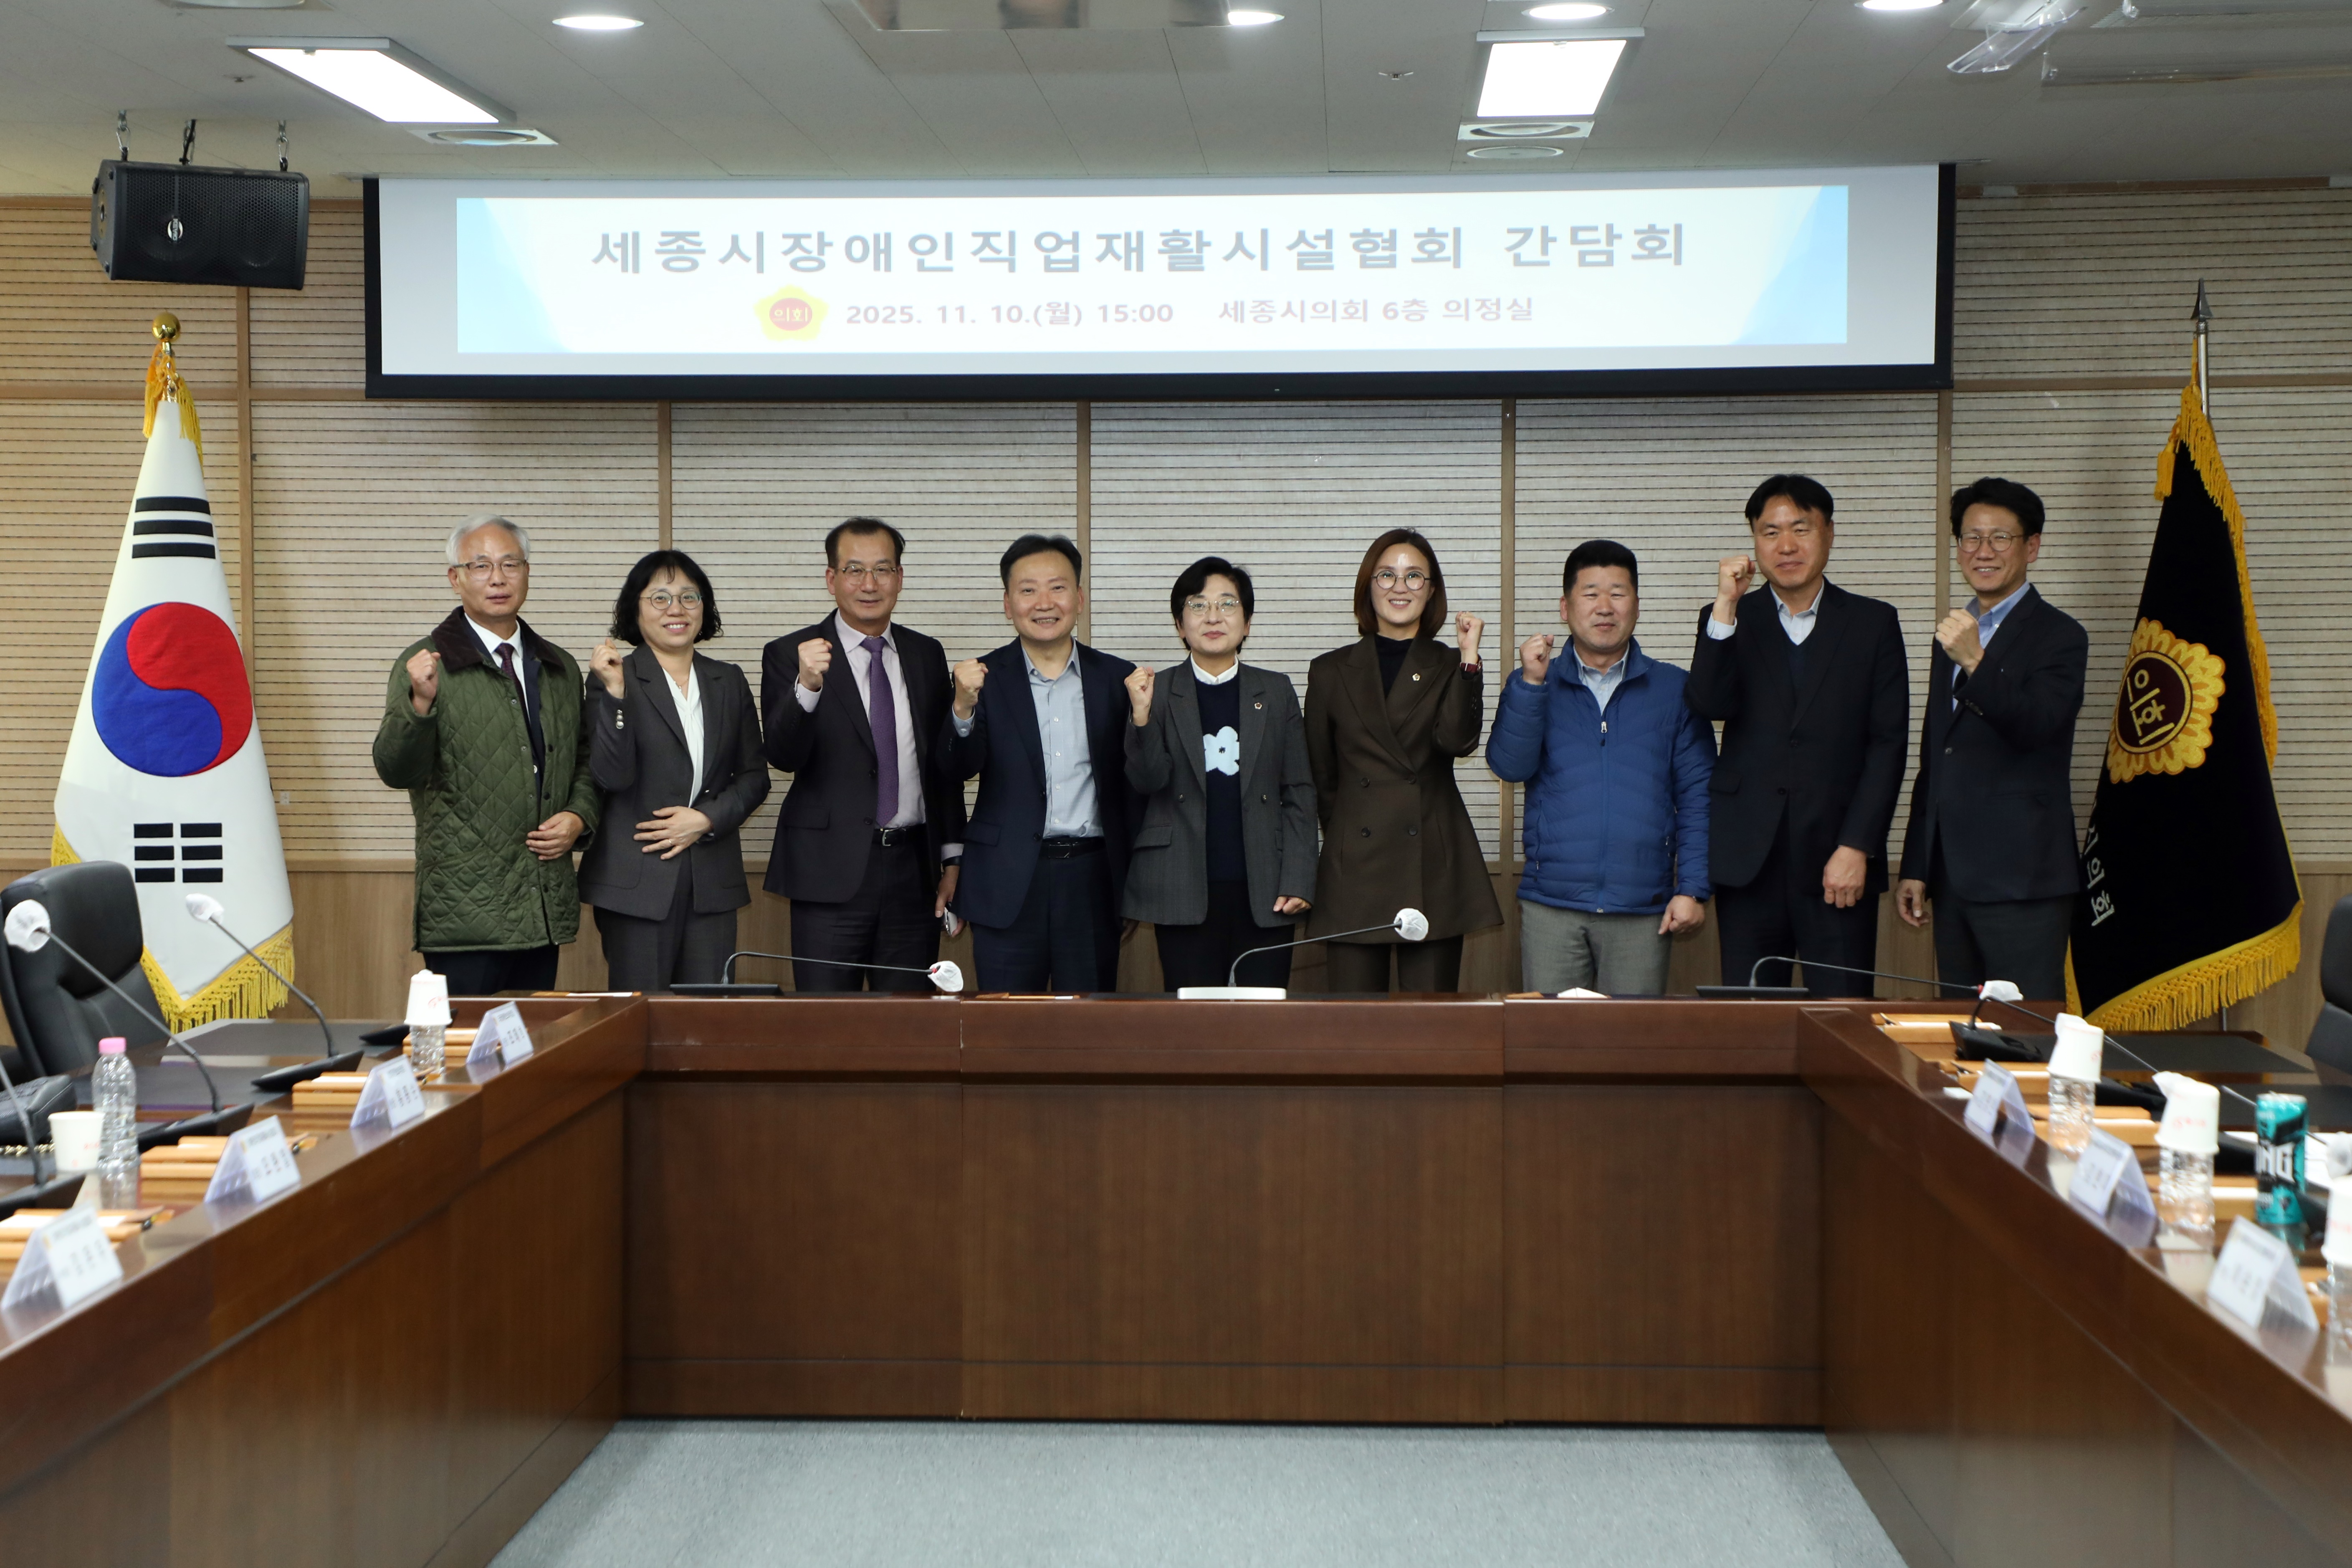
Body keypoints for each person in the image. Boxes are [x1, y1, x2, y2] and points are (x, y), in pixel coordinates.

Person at [1686, 475, 1908, 999]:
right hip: (1750, 862)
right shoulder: (1729, 619)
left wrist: (1857, 846)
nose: (1786, 545)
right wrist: (1725, 606)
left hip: (1838, 860)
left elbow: (1888, 744)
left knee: (1843, 1016)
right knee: (1750, 1019)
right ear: (1754, 542)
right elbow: (1709, 705)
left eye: (1801, 529)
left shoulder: (1874, 622)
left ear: (1829, 533)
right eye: (1771, 532)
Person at [373, 515, 598, 995]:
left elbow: (584, 758)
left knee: (532, 1037)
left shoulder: (558, 667)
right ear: (455, 579)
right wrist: (420, 705)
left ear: (527, 573)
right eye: (480, 566)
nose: (497, 578)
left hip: (542, 902)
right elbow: (396, 771)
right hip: (465, 912)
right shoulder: (427, 665)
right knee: (467, 1041)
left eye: (510, 564)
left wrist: (580, 816)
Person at [1489, 540, 1714, 996]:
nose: (1605, 607)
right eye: (1591, 594)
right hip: (1552, 905)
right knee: (1549, 1036)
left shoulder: (1674, 689)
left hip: (1643, 908)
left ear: (1637, 606)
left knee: (1631, 1039)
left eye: (1618, 593)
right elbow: (1510, 766)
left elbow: (1698, 796)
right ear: (1565, 607)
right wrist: (1531, 685)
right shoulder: (1534, 682)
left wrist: (1692, 889)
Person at [1897, 478, 2088, 1001]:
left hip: (2024, 879)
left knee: (2028, 1027)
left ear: (2032, 547)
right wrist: (1917, 865)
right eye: (1971, 538)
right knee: (1963, 1027)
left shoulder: (2061, 636)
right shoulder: (1955, 634)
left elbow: (2038, 725)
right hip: (1952, 877)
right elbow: (1936, 758)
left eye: (2001, 538)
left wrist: (1975, 662)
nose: (1983, 551)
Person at [762, 518, 965, 992]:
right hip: (827, 873)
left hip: (913, 871)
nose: (869, 584)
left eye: (882, 570)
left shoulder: (926, 654)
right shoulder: (790, 654)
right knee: (827, 1022)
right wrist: (807, 686)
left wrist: (953, 857)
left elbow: (941, 766)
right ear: (831, 578)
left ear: (900, 577)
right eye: (854, 570)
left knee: (909, 1020)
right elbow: (784, 756)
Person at [1303, 529, 1502, 993]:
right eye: (1387, 575)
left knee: (1431, 1024)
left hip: (1430, 868)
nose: (1400, 587)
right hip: (1355, 869)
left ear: (1431, 591)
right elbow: (1322, 776)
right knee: (1353, 1022)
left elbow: (1458, 741)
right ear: (1368, 586)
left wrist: (1469, 659)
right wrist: (1347, 836)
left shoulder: (1452, 663)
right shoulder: (1329, 670)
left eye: (1414, 576)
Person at [946, 534, 1141, 993]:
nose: (1044, 603)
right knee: (1005, 1023)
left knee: (1090, 1024)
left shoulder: (1117, 679)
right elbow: (954, 770)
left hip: (1093, 878)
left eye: (1058, 587)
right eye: (1028, 590)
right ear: (1008, 603)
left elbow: (1135, 788)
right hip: (1005, 879)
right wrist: (962, 708)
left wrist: (1133, 882)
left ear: (1080, 598)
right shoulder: (980, 679)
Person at [1121, 557, 1318, 991]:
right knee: (1192, 1021)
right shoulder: (1155, 691)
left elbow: (1299, 792)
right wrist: (1141, 717)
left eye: (1228, 604)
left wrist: (1299, 878)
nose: (1213, 617)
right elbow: (1148, 781)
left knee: (1265, 1017)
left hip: (1268, 888)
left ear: (1247, 624)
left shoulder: (1276, 690)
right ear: (1180, 625)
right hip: (1180, 885)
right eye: (1198, 605)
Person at [577, 551, 767, 992]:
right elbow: (612, 776)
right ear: (635, 609)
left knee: (709, 1017)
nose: (676, 609)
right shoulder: (613, 677)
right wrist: (617, 695)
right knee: (642, 1014)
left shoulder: (728, 680)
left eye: (689, 597)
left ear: (704, 607)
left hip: (712, 881)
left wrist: (707, 819)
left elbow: (755, 777)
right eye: (660, 598)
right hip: (636, 882)